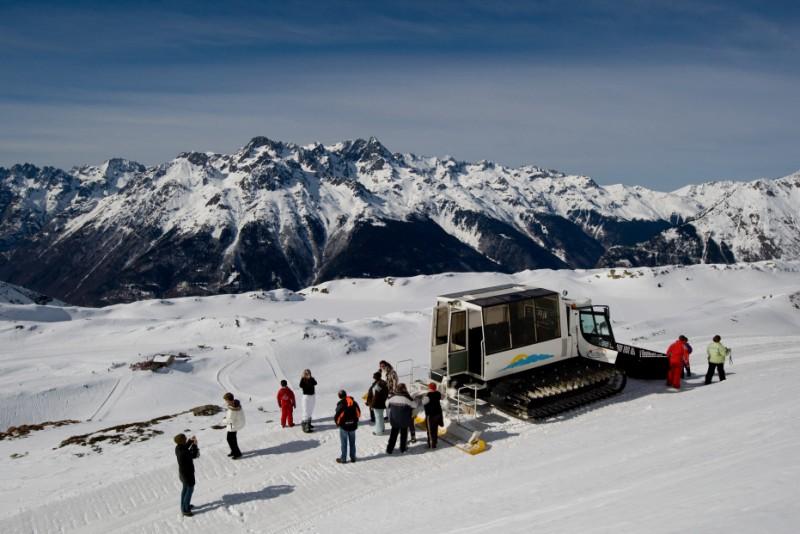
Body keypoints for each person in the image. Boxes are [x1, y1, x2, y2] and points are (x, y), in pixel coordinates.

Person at [174, 433, 199, 517]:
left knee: (185, 489)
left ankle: (183, 506)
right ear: (182, 441)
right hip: (188, 474)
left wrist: (190, 442)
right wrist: (195, 445)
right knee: (189, 490)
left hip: (182, 473)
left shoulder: (178, 448)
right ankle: (185, 510)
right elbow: (194, 455)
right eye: (185, 438)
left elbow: (185, 448)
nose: (186, 438)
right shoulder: (184, 452)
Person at [386, 383, 415, 454]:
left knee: (393, 435)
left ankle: (389, 449)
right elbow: (415, 405)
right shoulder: (407, 398)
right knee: (404, 435)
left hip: (394, 420)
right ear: (404, 389)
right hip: (404, 420)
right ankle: (403, 448)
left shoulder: (392, 397)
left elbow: (386, 404)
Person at [334, 390, 361, 464]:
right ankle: (353, 458)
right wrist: (355, 421)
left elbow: (337, 416)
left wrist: (337, 423)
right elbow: (358, 414)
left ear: (339, 396)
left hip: (344, 427)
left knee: (344, 443)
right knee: (352, 443)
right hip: (353, 426)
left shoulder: (341, 404)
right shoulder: (354, 403)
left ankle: (343, 459)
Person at [222, 393, 245, 459]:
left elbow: (230, 420)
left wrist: (223, 420)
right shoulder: (235, 404)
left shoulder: (233, 409)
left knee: (229, 439)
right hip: (236, 423)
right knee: (232, 438)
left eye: (226, 400)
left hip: (234, 425)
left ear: (229, 400)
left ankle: (237, 453)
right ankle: (234, 451)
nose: (225, 402)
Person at [422, 383, 444, 449]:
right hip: (438, 414)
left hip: (430, 416)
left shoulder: (427, 396)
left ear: (429, 388)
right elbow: (443, 397)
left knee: (430, 431)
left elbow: (423, 403)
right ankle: (435, 441)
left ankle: (432, 445)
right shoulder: (438, 394)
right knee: (435, 429)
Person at [366, 371, 389, 435]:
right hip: (381, 402)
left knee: (378, 417)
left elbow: (376, 396)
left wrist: (372, 404)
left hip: (377, 403)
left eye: (374, 377)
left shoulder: (378, 384)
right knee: (380, 416)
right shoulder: (381, 383)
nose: (374, 378)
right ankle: (382, 428)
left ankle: (379, 431)